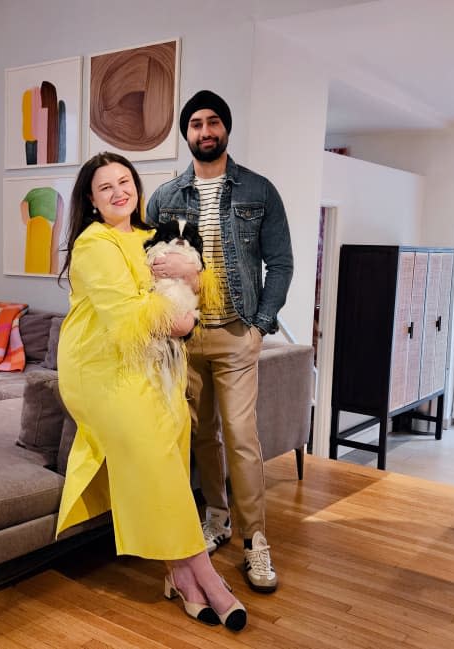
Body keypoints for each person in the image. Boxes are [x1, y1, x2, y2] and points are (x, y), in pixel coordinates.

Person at [55, 151, 247, 631]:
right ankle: (205, 573)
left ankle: (178, 576)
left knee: (171, 448)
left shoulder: (151, 236)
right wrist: (180, 307)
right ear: (92, 201)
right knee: (155, 454)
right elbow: (128, 314)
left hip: (154, 369)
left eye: (126, 181)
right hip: (103, 371)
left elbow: (195, 287)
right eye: (106, 187)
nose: (120, 191)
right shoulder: (93, 244)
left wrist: (190, 289)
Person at [146, 90, 294, 593]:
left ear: (225, 129)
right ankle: (216, 518)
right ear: (186, 134)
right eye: (195, 124)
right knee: (200, 435)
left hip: (235, 333)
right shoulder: (165, 196)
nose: (205, 132)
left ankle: (256, 543)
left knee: (242, 439)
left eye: (213, 123)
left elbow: (282, 263)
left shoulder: (259, 191)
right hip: (183, 338)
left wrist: (261, 324)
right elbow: (148, 262)